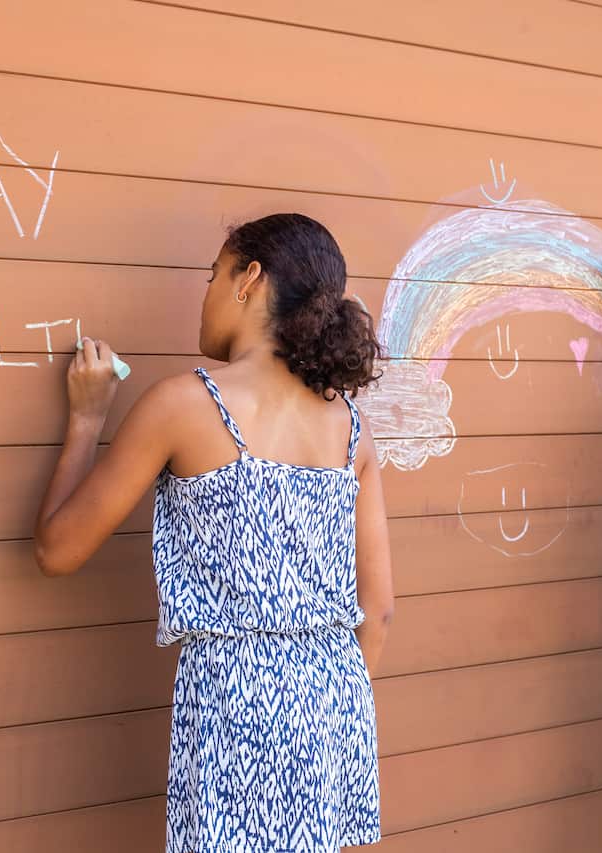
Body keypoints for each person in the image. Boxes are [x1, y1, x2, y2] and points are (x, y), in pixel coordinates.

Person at [34, 213, 393, 852]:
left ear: (248, 279)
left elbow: (57, 550)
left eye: (213, 273)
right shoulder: (352, 427)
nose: (205, 292)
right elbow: (380, 612)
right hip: (337, 704)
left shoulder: (185, 404)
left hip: (236, 707)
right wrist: (320, 713)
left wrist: (88, 418)